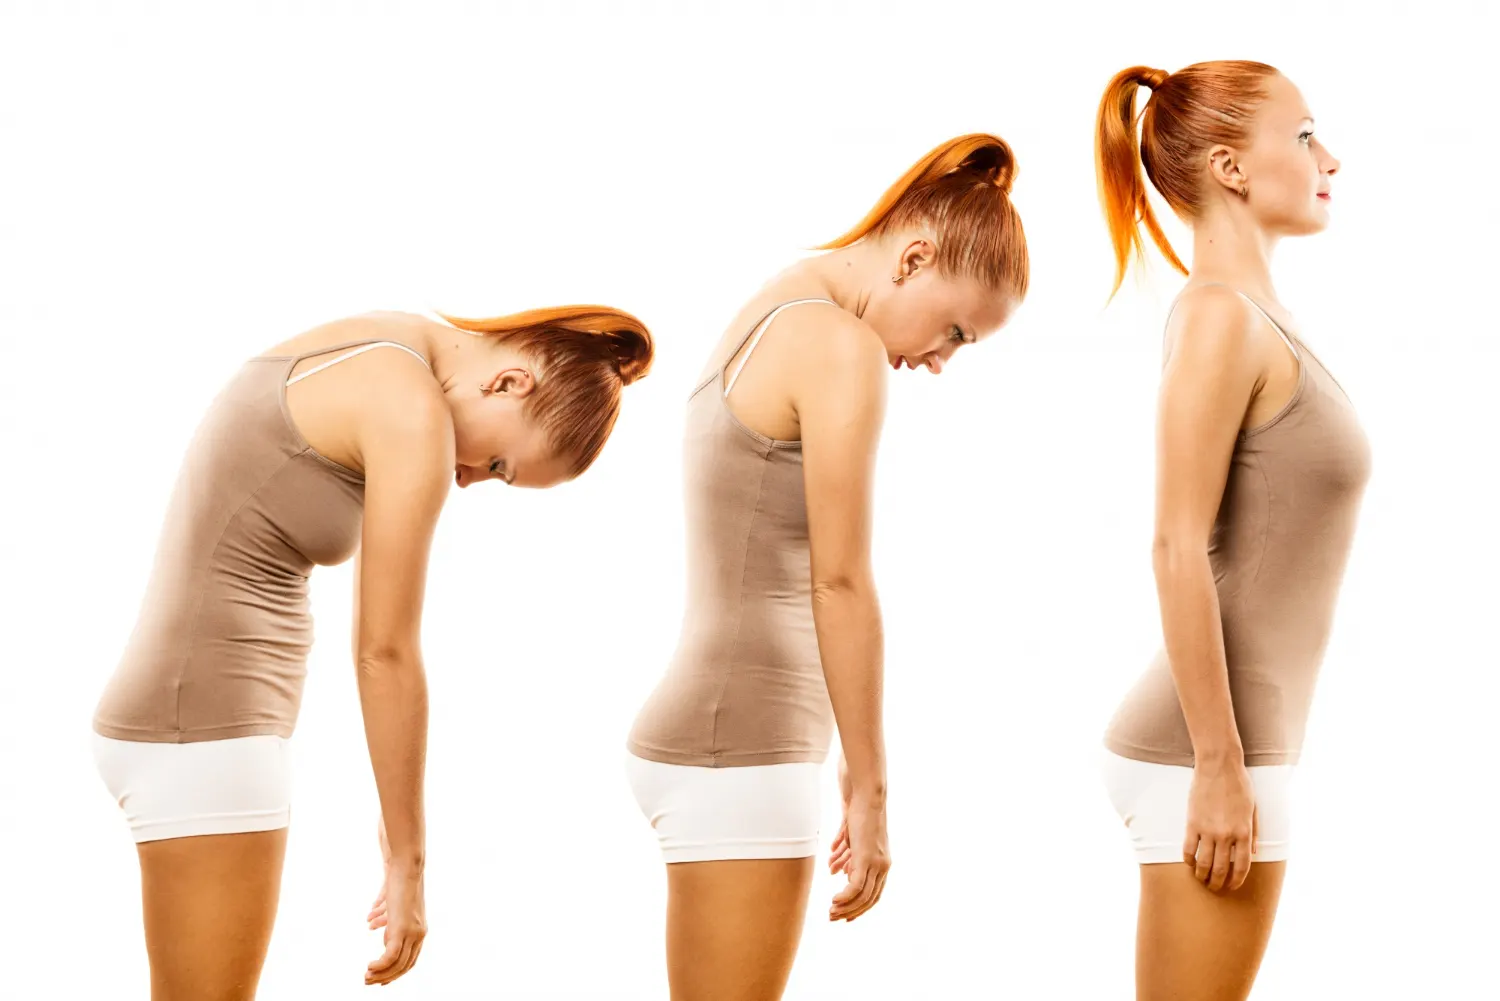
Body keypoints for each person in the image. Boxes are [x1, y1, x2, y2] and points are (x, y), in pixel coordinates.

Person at [91, 304, 653, 999]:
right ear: (512, 382)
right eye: (500, 464)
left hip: (181, 718)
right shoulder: (409, 408)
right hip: (206, 734)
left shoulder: (388, 338)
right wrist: (407, 860)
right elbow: (384, 651)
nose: (468, 477)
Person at [625, 133, 1028, 1001]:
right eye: (953, 329)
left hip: (713, 730)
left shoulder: (776, 302)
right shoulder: (837, 346)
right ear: (915, 256)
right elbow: (838, 581)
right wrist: (873, 791)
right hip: (743, 750)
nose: (938, 359)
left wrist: (844, 757)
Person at [1094, 61, 1371, 1000]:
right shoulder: (1217, 315)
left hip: (1238, 751)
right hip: (1205, 758)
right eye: (1303, 136)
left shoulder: (1257, 318)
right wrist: (1219, 765)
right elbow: (1176, 543)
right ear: (1230, 167)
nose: (1330, 157)